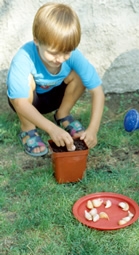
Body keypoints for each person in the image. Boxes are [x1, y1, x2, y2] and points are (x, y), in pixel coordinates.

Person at [7, 3, 105, 157]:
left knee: (79, 76)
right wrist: (52, 129)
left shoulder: (74, 56)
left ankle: (63, 115)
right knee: (27, 80)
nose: (59, 59)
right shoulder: (24, 56)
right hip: (28, 102)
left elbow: (97, 91)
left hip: (54, 98)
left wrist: (93, 129)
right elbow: (19, 102)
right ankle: (28, 129)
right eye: (53, 53)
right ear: (37, 40)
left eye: (66, 52)